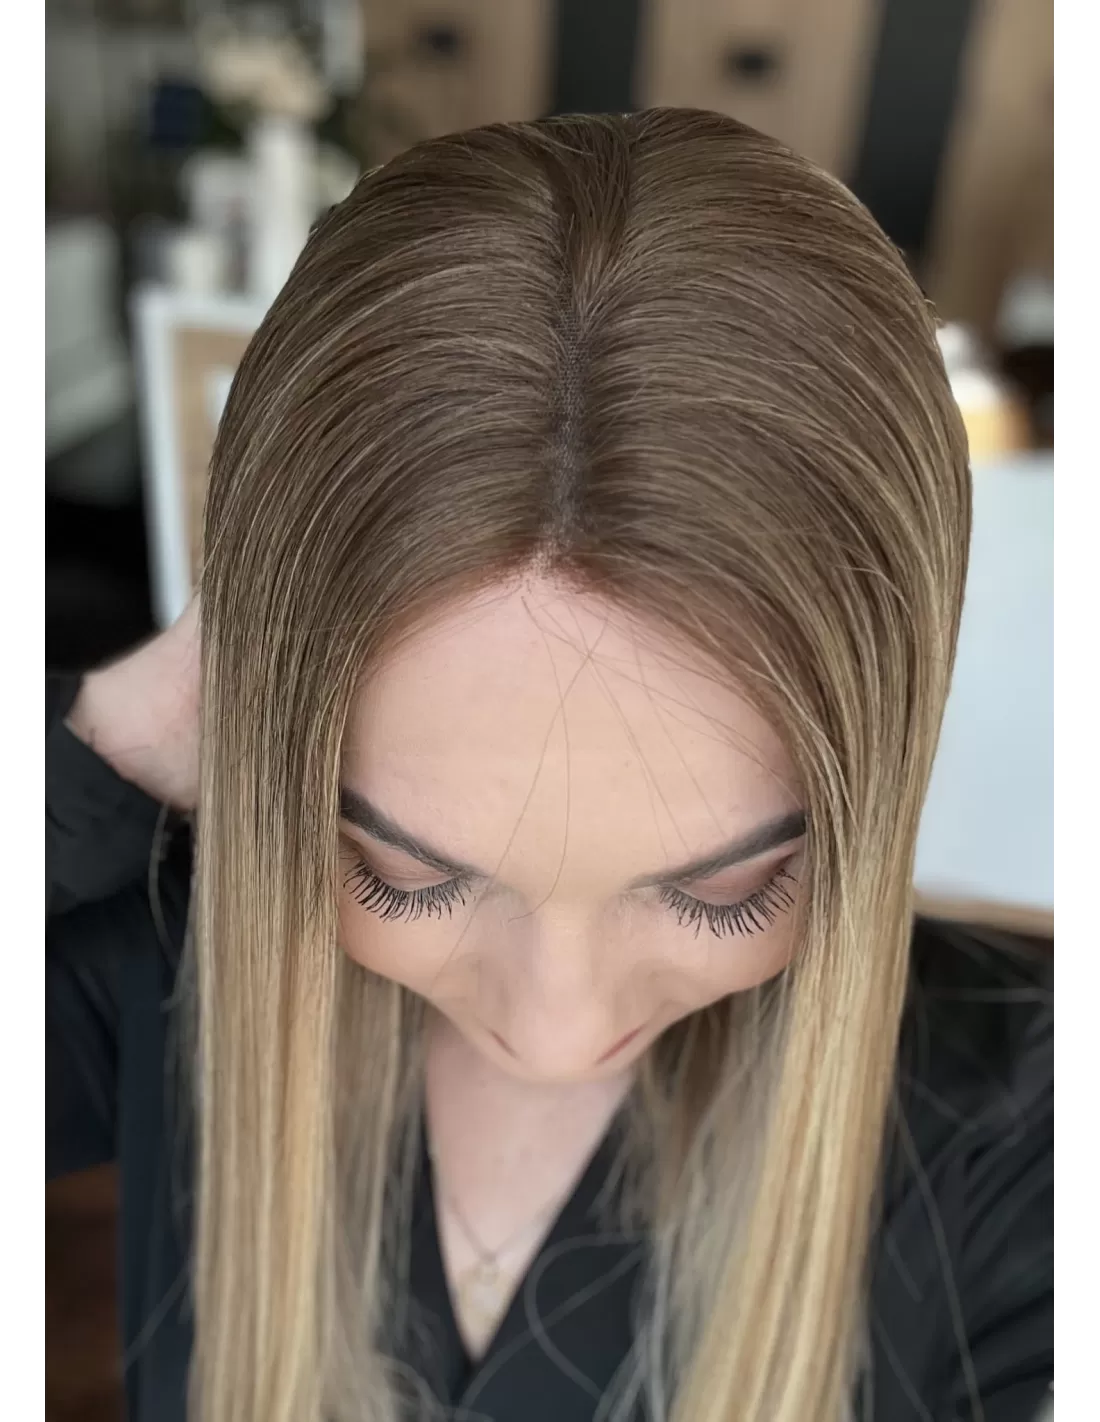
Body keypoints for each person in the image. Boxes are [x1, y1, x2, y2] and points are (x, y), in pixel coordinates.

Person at [46, 109, 1053, 1422]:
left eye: (724, 889)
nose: (556, 1029)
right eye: (402, 873)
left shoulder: (1030, 1126)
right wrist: (113, 730)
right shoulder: (173, 954)